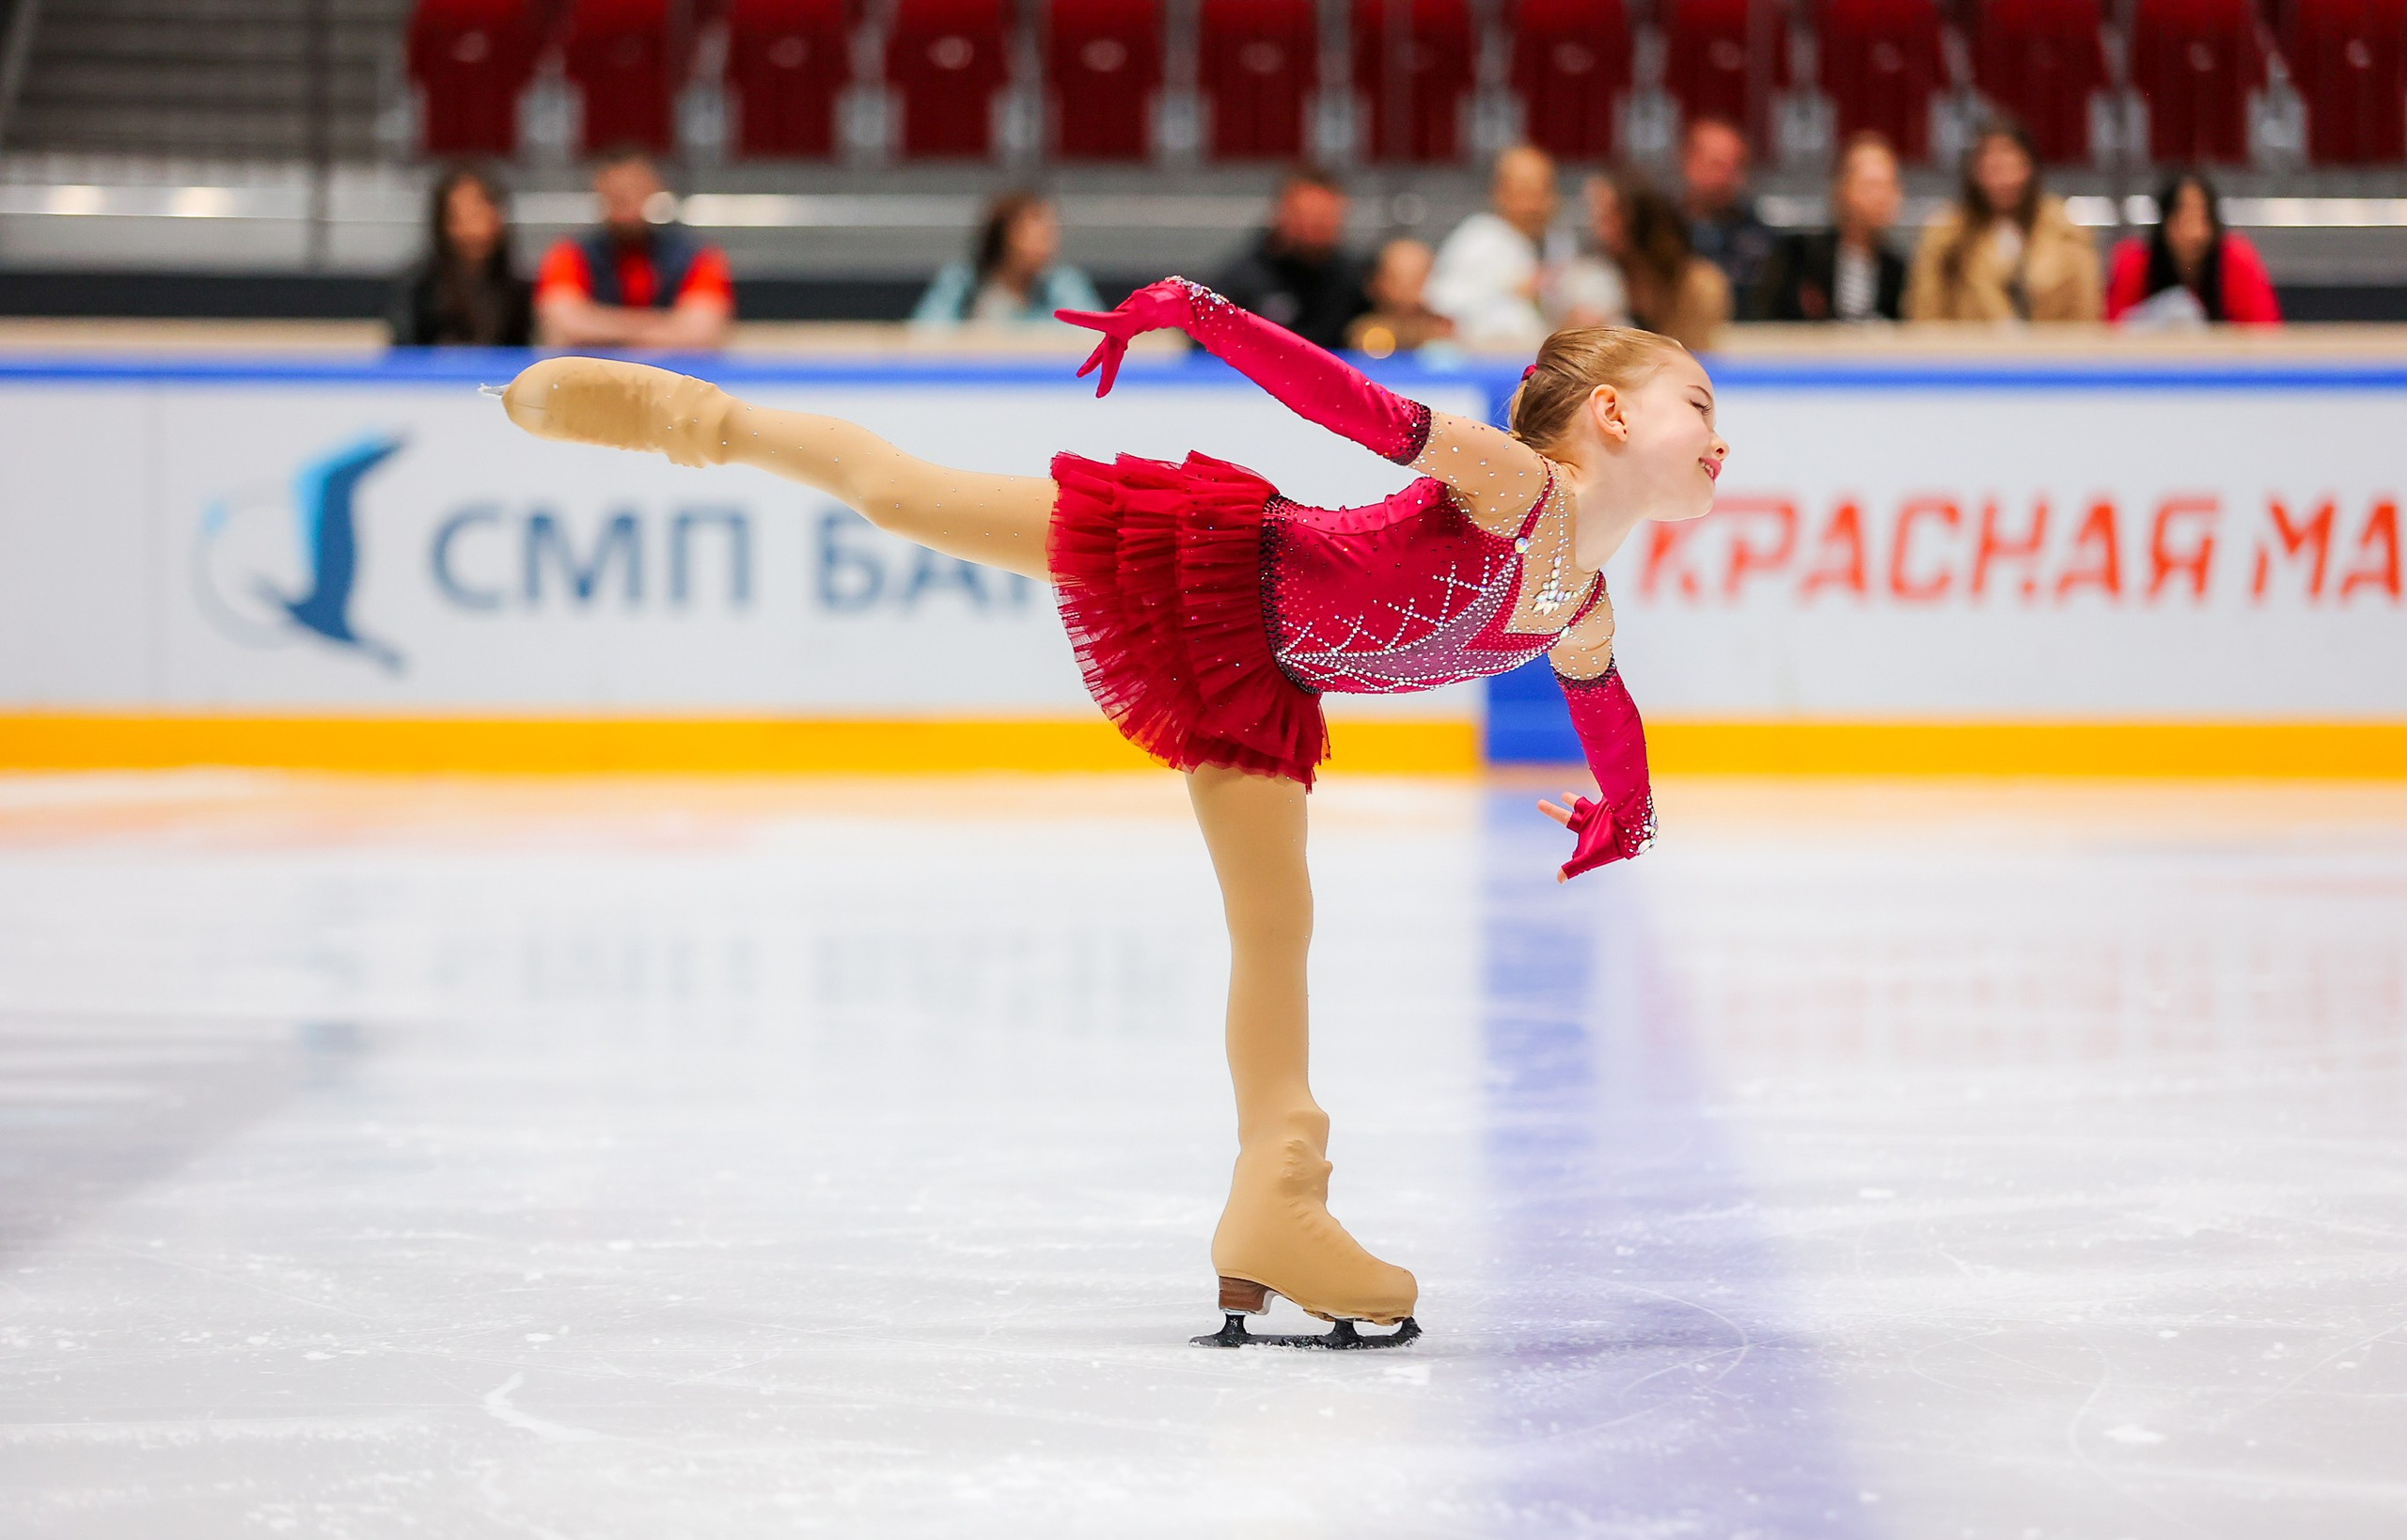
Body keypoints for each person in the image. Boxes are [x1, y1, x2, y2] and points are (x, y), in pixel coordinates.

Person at [496, 281, 1727, 1347]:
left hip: (1265, 678)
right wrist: (1202, 314)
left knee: (1277, 926)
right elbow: (1356, 408)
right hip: (1206, 560)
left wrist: (1626, 814)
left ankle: (1275, 1196)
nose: (1720, 436)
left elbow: (1605, 709)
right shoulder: (1522, 490)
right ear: (1613, 413)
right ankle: (693, 417)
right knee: (911, 497)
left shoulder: (1582, 604)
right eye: (1700, 404)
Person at [534, 146, 734, 350]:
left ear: (654, 188)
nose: (626, 200)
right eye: (616, 193)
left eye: (635, 189)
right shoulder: (569, 254)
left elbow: (701, 332)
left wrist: (599, 326)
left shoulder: (698, 256)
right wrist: (666, 328)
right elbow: (565, 325)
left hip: (673, 376)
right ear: (598, 190)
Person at [1906, 119, 2101, 323]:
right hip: (1970, 351)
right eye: (1993, 168)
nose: (2003, 180)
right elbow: (1926, 317)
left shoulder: (2067, 231)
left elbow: (2087, 316)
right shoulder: (1946, 235)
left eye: (2012, 166)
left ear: (2029, 168)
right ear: (1975, 172)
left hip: (2053, 351)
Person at [1754, 132, 1909, 322]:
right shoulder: (1800, 259)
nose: (1882, 198)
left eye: (1890, 185)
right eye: (1871, 186)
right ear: (1842, 190)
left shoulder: (1900, 272)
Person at [1212, 167, 1371, 350]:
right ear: (1281, 214)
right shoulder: (1241, 282)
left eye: (1325, 218)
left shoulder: (1352, 281)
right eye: (1307, 217)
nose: (1314, 228)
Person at [2106, 170, 2283, 326]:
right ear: (2164, 222)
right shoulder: (2134, 264)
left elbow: (2265, 331)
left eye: (2203, 219)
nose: (2194, 233)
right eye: (2183, 219)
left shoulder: (2237, 261)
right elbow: (2112, 333)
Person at [1427, 145, 1564, 346]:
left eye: (1543, 189)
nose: (1534, 202)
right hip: (1486, 363)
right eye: (1524, 190)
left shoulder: (1558, 243)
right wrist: (1512, 292)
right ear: (1500, 192)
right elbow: (1442, 309)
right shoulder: (1477, 239)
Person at [911, 191, 1105, 328]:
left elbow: (1090, 336)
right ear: (1006, 237)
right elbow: (925, 335)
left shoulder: (1063, 283)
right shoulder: (961, 282)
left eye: (1050, 233)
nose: (1048, 244)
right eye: (1038, 236)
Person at [1587, 169, 1732, 351]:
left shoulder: (1701, 284)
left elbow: (1696, 358)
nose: (1599, 230)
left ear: (1640, 218)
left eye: (1609, 216)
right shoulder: (1598, 277)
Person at [389, 166, 533, 348]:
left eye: (480, 215)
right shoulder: (418, 288)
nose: (473, 230)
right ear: (443, 223)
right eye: (461, 218)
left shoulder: (516, 291)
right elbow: (404, 355)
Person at [1679, 117, 1776, 314]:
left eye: (1737, 166)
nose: (1727, 177)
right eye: (1717, 165)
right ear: (1688, 162)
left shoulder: (1763, 238)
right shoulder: (1662, 231)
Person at [1344, 237, 1455, 355]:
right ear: (1376, 283)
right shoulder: (1362, 329)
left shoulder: (1445, 329)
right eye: (1396, 279)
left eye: (1416, 280)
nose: (1405, 289)